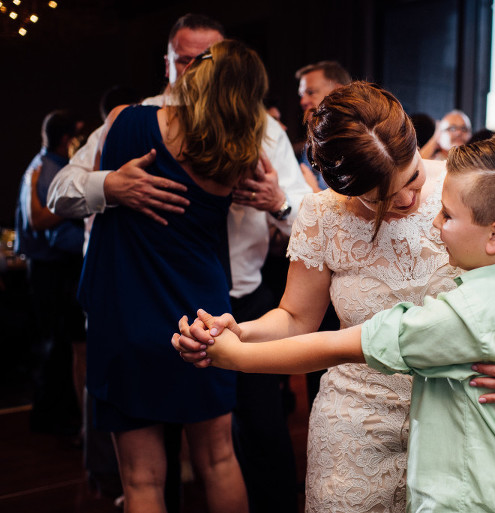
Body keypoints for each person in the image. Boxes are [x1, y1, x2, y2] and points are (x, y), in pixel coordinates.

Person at [176, 81, 495, 513]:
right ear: (345, 186)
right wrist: (236, 334)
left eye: (412, 176)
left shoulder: (466, 194)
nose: (410, 199)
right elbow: (297, 319)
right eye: (385, 199)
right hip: (354, 427)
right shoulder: (323, 215)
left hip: (461, 427)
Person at [48, 14, 307, 512]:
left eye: (201, 60)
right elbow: (62, 192)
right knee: (215, 459)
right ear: (167, 61)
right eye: (183, 59)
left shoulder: (143, 122)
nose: (191, 70)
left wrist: (277, 200)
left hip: (225, 304)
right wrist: (110, 185)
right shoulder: (238, 131)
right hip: (201, 308)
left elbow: (302, 220)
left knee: (238, 447)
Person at [79, 39, 271, 513]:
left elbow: (78, 185)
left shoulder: (126, 120)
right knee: (219, 460)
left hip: (126, 314)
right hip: (200, 317)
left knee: (143, 481)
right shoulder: (239, 152)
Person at [14, 110, 85, 436]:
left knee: (55, 344)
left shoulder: (38, 166)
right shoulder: (50, 172)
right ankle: (53, 420)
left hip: (47, 270)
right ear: (65, 139)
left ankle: (50, 417)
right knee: (57, 346)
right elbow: (44, 225)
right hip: (52, 271)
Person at [295, 60, 353, 192]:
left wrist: (314, 191)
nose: (302, 101)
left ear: (338, 91)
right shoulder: (310, 146)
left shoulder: (358, 141)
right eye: (301, 95)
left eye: (310, 92)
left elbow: (356, 210)